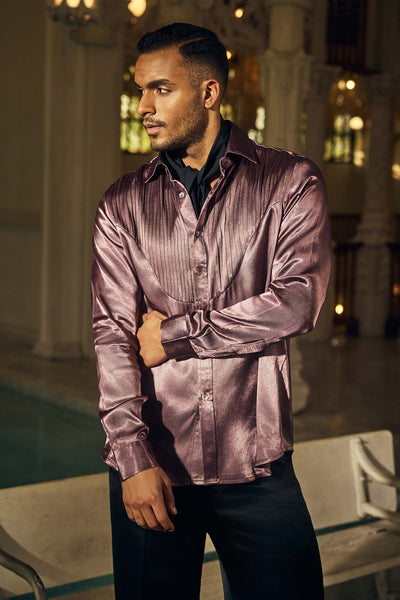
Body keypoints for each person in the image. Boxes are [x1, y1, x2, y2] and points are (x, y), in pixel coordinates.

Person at [91, 22, 331, 600]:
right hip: (155, 466)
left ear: (208, 92)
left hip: (258, 465)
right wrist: (131, 457)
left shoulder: (290, 182)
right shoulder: (121, 204)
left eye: (160, 89)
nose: (143, 106)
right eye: (140, 89)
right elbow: (113, 334)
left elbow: (297, 302)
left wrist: (176, 335)